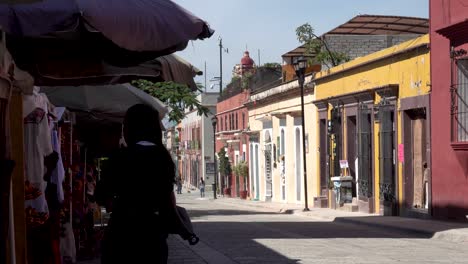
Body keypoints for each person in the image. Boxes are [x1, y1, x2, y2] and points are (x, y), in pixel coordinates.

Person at [97, 104, 176, 264]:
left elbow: (101, 195)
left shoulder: (119, 158)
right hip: (153, 235)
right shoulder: (164, 159)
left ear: (130, 128)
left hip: (121, 234)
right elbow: (168, 198)